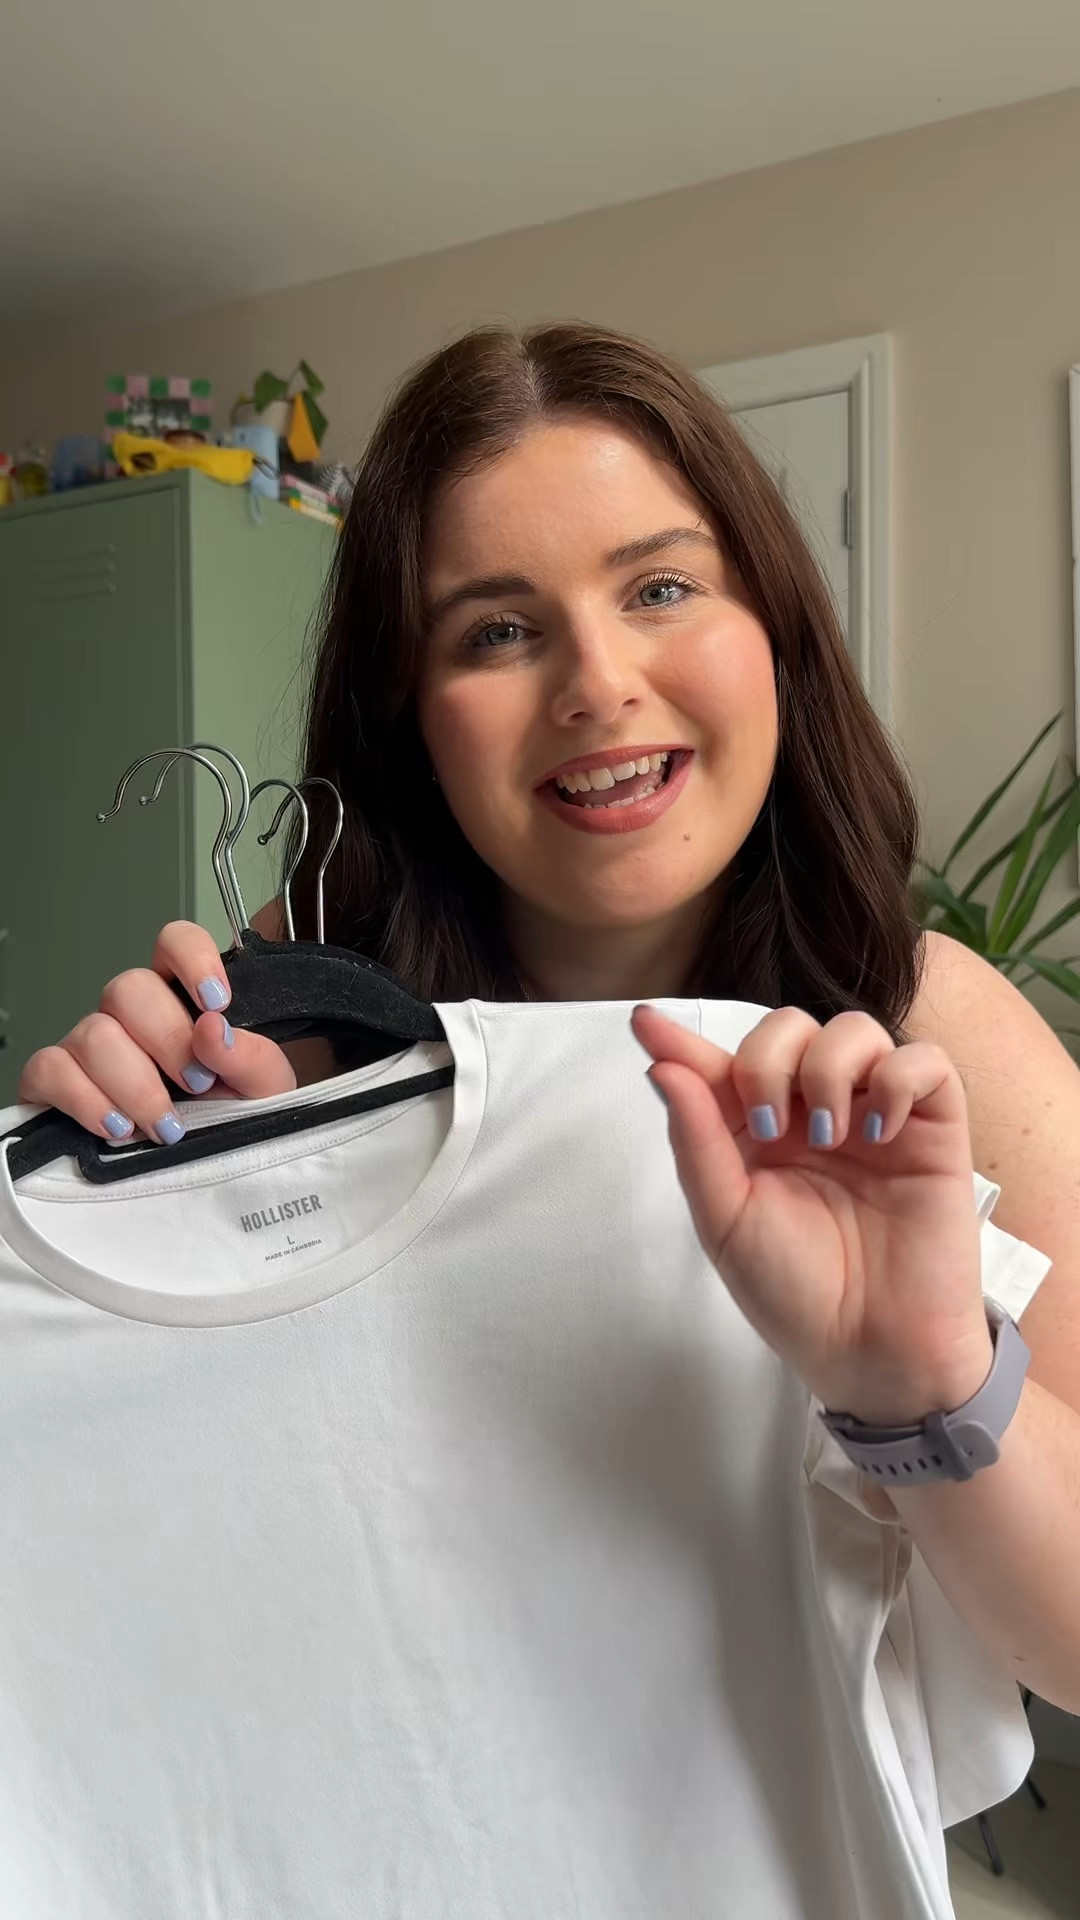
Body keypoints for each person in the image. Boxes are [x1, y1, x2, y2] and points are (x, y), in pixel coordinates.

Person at [14, 323, 1080, 1906]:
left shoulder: (928, 1042)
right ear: (411, 717)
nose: (598, 684)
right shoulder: (299, 1051)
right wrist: (150, 1170)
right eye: (497, 631)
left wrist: (921, 1373)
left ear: (772, 624)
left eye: (661, 587)